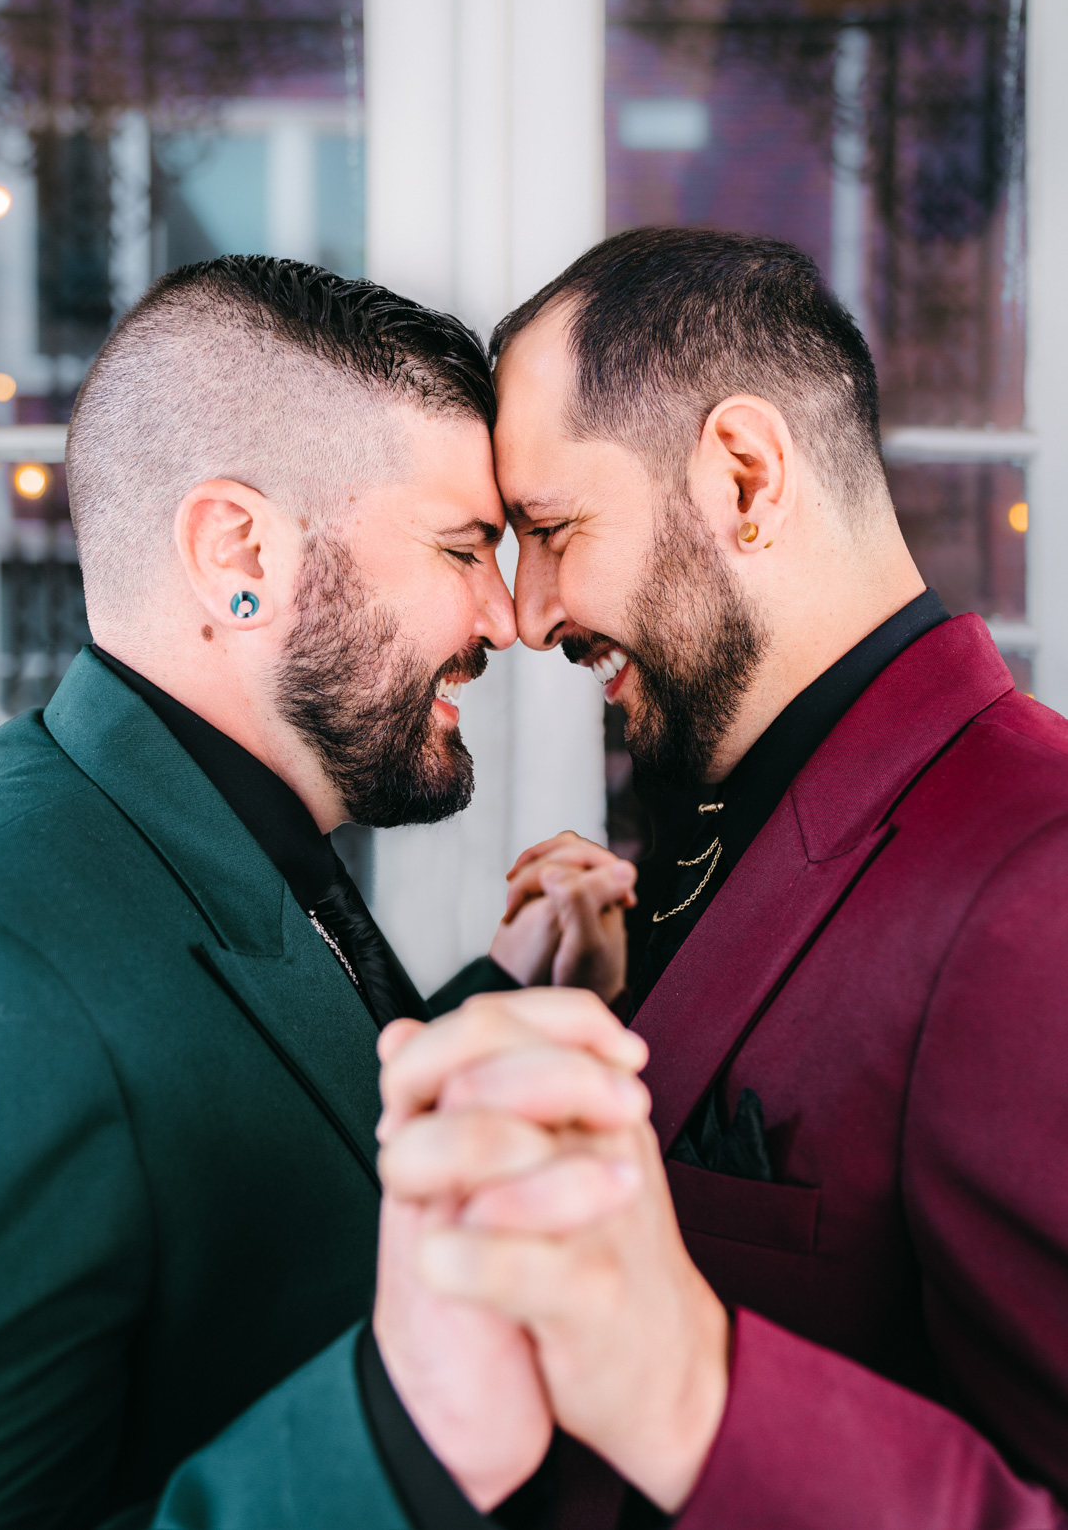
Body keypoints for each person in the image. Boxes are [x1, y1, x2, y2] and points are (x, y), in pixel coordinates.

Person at [364, 228, 1068, 1528]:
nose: (518, 613)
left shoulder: (1039, 877)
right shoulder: (715, 823)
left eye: (552, 528)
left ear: (743, 475)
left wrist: (685, 1383)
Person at [0, 256, 633, 1529]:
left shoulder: (199, 824)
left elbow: (262, 1117)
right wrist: (402, 1445)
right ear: (237, 552)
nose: (508, 617)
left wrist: (505, 993)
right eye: (460, 548)